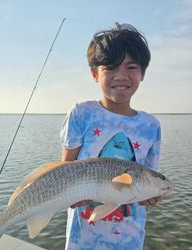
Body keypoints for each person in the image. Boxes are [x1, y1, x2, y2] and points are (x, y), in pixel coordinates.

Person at [60, 23, 162, 250]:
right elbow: (63, 172)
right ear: (95, 73)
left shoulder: (151, 125)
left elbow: (148, 176)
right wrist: (71, 196)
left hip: (130, 239)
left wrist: (152, 195)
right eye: (111, 68)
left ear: (143, 73)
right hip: (82, 239)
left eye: (131, 67)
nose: (121, 76)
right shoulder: (81, 113)